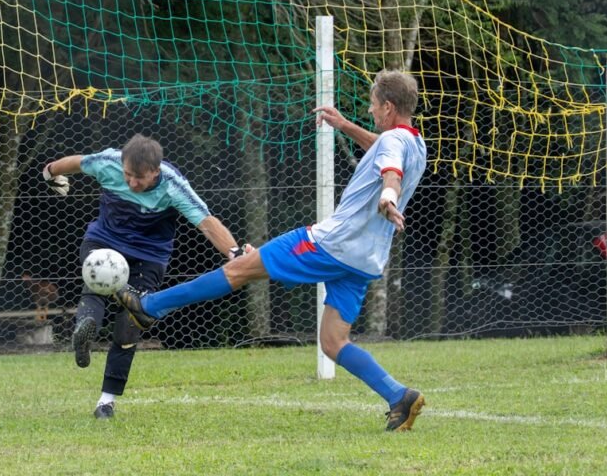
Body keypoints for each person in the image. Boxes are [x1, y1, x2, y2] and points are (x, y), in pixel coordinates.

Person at [116, 70, 428, 431]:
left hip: (330, 244)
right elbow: (383, 148)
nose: (372, 112)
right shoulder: (413, 143)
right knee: (332, 342)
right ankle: (399, 396)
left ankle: (149, 307)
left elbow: (390, 172)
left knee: (239, 270)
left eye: (374, 106)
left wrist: (389, 197)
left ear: (388, 107)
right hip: (365, 260)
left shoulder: (392, 146)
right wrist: (344, 126)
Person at [42, 133, 246, 419]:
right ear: (122, 164)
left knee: (132, 318)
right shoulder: (109, 162)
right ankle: (85, 333)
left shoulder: (174, 185)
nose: (132, 183)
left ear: (156, 171)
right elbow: (74, 163)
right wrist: (50, 172)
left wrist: (236, 254)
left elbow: (207, 223)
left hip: (148, 256)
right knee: (98, 282)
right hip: (104, 241)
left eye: (139, 178)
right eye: (127, 175)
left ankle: (105, 400)